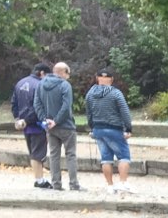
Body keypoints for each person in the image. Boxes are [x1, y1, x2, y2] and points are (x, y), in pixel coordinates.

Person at [85, 67, 134, 196]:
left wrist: (92, 127)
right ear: (111, 80)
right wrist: (128, 128)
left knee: (106, 159)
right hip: (114, 128)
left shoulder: (90, 94)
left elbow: (88, 113)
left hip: (98, 129)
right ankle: (123, 183)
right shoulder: (116, 93)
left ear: (97, 79)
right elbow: (124, 111)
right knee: (124, 156)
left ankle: (110, 185)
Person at [35, 61, 80, 191]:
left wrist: (46, 120)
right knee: (71, 154)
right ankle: (73, 184)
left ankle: (56, 184)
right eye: (68, 73)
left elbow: (37, 104)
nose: (69, 76)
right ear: (63, 72)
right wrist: (57, 120)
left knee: (54, 155)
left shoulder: (41, 84)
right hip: (66, 126)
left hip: (50, 127)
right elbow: (66, 106)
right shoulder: (65, 85)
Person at [11, 63, 50, 188]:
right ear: (42, 73)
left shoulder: (20, 83)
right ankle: (39, 180)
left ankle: (39, 178)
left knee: (33, 152)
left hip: (24, 125)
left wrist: (18, 119)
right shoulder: (40, 85)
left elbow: (14, 103)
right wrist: (28, 120)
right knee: (38, 153)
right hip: (36, 124)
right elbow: (38, 107)